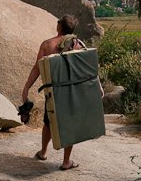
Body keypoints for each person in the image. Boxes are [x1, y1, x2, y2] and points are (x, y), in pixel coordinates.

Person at [21, 14, 104, 171]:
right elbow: (90, 69)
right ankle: (66, 161)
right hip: (72, 91)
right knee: (69, 124)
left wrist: (26, 87)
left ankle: (43, 152)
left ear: (59, 26)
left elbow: (37, 68)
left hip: (53, 91)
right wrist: (98, 86)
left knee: (48, 121)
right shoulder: (78, 43)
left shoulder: (47, 45)